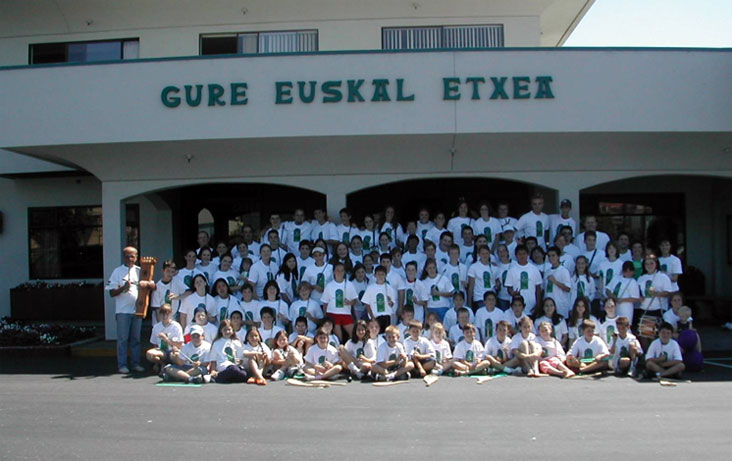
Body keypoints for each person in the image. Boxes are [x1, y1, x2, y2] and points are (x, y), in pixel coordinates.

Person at [106, 246, 156, 374]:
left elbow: (152, 286)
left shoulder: (141, 271)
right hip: (123, 311)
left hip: (137, 310)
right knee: (123, 339)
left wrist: (150, 285)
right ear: (124, 257)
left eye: (132, 256)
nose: (130, 258)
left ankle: (135, 364)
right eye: (127, 256)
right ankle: (122, 365)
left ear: (136, 257)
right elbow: (111, 293)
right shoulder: (117, 271)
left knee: (136, 339)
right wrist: (123, 288)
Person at [321, 262, 358, 342]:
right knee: (338, 338)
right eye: (337, 270)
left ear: (344, 272)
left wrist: (350, 303)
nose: (340, 272)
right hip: (333, 313)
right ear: (334, 271)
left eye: (342, 270)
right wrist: (325, 317)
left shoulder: (349, 284)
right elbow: (325, 303)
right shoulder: (329, 285)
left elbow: (355, 300)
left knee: (354, 334)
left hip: (346, 314)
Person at [505, 245, 543, 316]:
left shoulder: (534, 269)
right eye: (519, 254)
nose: (522, 256)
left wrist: (538, 304)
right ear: (516, 255)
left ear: (527, 254)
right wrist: (513, 293)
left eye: (524, 253)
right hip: (517, 308)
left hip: (531, 306)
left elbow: (538, 289)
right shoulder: (511, 270)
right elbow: (509, 288)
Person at [145, 303, 184, 372]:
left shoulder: (176, 326)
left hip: (173, 351)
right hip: (162, 351)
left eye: (167, 314)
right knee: (149, 354)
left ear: (171, 314)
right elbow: (155, 344)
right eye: (163, 314)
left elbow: (180, 344)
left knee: (177, 356)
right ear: (160, 314)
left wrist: (166, 340)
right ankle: (161, 364)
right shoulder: (156, 327)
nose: (165, 316)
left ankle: (174, 368)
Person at [361, 265, 397, 332]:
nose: (380, 276)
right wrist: (372, 317)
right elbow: (367, 304)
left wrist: (390, 302)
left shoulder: (389, 288)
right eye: (378, 274)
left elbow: (392, 304)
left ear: (386, 275)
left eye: (382, 274)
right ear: (375, 275)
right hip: (375, 316)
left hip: (386, 315)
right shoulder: (370, 288)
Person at [419, 258, 455, 322]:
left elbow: (451, 293)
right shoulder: (423, 282)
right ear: (426, 269)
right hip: (431, 308)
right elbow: (424, 300)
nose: (432, 270)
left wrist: (438, 293)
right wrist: (426, 312)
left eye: (433, 268)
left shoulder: (443, 279)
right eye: (429, 268)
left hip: (443, 307)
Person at [543, 246, 572, 318]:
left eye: (553, 255)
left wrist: (555, 282)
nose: (551, 258)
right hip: (548, 307)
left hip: (560, 306)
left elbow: (568, 288)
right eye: (549, 256)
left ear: (558, 256)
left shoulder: (564, 271)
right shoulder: (547, 272)